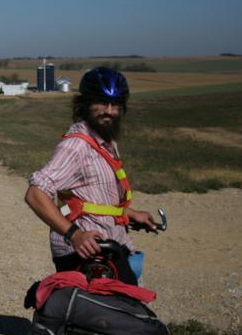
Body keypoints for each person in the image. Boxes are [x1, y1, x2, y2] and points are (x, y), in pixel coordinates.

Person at [25, 67, 156, 285]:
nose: (110, 111)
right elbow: (35, 194)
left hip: (112, 246)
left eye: (116, 105)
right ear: (85, 104)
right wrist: (75, 235)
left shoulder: (104, 141)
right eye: (102, 103)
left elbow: (92, 197)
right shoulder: (76, 146)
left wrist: (129, 213)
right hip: (87, 254)